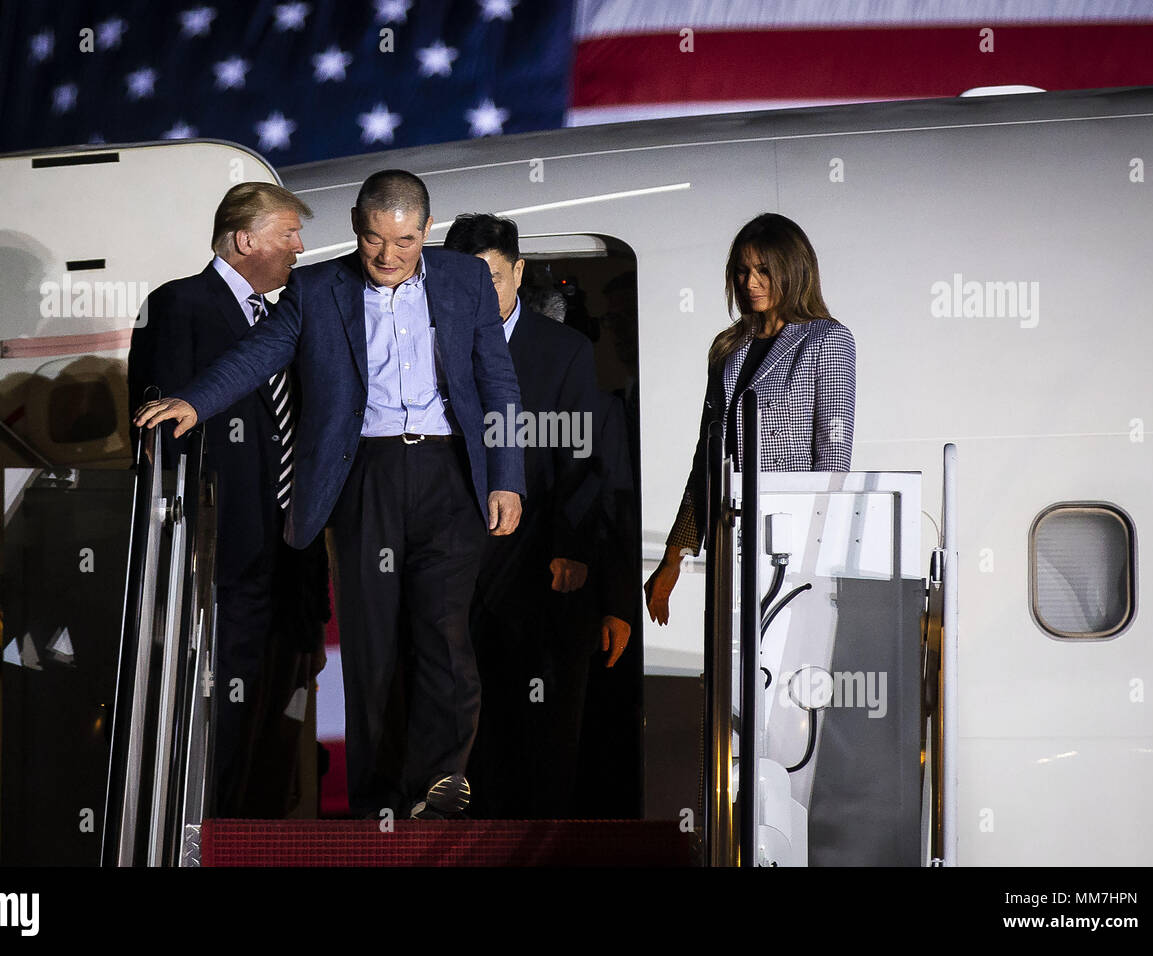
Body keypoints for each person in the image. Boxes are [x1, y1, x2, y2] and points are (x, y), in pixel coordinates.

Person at [133, 171, 525, 820]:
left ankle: (442, 779)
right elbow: (256, 354)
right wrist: (193, 401)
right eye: (373, 239)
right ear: (354, 227)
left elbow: (499, 381)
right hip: (364, 479)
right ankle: (377, 797)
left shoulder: (464, 281)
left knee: (442, 633)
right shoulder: (318, 289)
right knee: (370, 646)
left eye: (402, 240)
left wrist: (508, 475)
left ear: (425, 231)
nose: (387, 255)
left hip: (449, 476)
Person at [127, 181, 329, 817]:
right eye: (289, 233)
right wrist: (189, 540)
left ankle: (256, 837)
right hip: (220, 554)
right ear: (247, 240)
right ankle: (206, 836)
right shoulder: (180, 304)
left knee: (279, 708)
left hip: (291, 553)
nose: (300, 247)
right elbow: (160, 428)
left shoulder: (291, 312)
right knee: (219, 718)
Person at [443, 213, 609, 818]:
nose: (479, 295)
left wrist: (573, 545)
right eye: (465, 281)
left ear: (517, 271)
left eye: (491, 278)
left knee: (537, 721)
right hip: (454, 560)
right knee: (461, 718)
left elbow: (582, 459)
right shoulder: (432, 345)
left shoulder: (564, 350)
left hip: (537, 560)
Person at [644, 213, 856, 625]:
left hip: (789, 553)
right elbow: (705, 459)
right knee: (728, 675)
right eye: (741, 271)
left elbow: (833, 456)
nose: (750, 282)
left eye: (763, 270)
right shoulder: (727, 347)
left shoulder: (826, 339)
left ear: (793, 271)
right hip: (729, 544)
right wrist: (674, 558)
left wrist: (813, 554)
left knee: (778, 675)